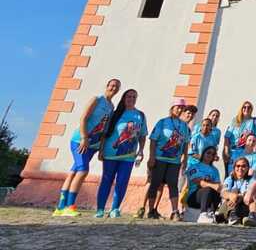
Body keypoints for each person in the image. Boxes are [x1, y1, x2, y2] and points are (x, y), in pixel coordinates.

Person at [54, 78, 121, 217]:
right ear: (107, 85)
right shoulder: (97, 99)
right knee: (83, 170)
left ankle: (60, 207)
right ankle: (69, 206)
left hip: (94, 144)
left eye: (116, 87)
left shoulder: (111, 106)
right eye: (112, 85)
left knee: (74, 171)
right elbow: (83, 117)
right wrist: (84, 137)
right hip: (80, 141)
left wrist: (101, 148)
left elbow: (104, 129)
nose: (114, 88)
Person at [95, 88, 146, 218]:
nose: (131, 99)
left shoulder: (140, 115)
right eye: (129, 96)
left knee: (122, 181)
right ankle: (100, 209)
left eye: (134, 97)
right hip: (110, 154)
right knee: (106, 180)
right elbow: (105, 134)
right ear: (124, 98)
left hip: (128, 156)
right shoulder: (115, 114)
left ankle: (115, 208)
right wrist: (101, 150)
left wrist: (141, 150)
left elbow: (142, 135)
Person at [144, 99, 191, 220]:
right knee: (155, 184)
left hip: (174, 161)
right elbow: (153, 140)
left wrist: (185, 159)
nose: (179, 110)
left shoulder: (184, 126)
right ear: (172, 108)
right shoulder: (162, 122)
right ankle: (151, 210)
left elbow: (186, 144)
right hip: (160, 158)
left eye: (182, 108)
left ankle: (175, 211)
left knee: (173, 184)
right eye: (177, 107)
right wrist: (152, 157)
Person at [185, 145, 222, 223]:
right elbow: (198, 181)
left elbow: (218, 185)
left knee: (217, 192)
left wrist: (215, 186)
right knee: (208, 189)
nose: (210, 155)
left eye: (213, 154)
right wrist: (212, 184)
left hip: (209, 197)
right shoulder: (194, 167)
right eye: (208, 153)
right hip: (194, 198)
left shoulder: (215, 170)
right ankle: (203, 214)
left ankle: (212, 213)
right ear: (203, 153)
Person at [223, 101, 256, 173]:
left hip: (246, 151)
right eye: (244, 107)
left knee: (243, 173)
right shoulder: (235, 120)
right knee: (230, 173)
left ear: (251, 109)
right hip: (233, 151)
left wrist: (255, 152)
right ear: (241, 108)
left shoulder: (254, 121)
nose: (246, 109)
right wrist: (226, 150)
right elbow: (227, 136)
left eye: (249, 107)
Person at [219, 156, 252, 225]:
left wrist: (238, 197)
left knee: (236, 193)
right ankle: (231, 214)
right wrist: (232, 196)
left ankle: (232, 215)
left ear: (248, 168)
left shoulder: (251, 179)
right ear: (234, 168)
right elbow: (223, 193)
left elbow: (248, 193)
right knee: (234, 191)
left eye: (243, 166)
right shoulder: (230, 179)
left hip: (244, 206)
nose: (240, 168)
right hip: (228, 204)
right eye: (238, 166)